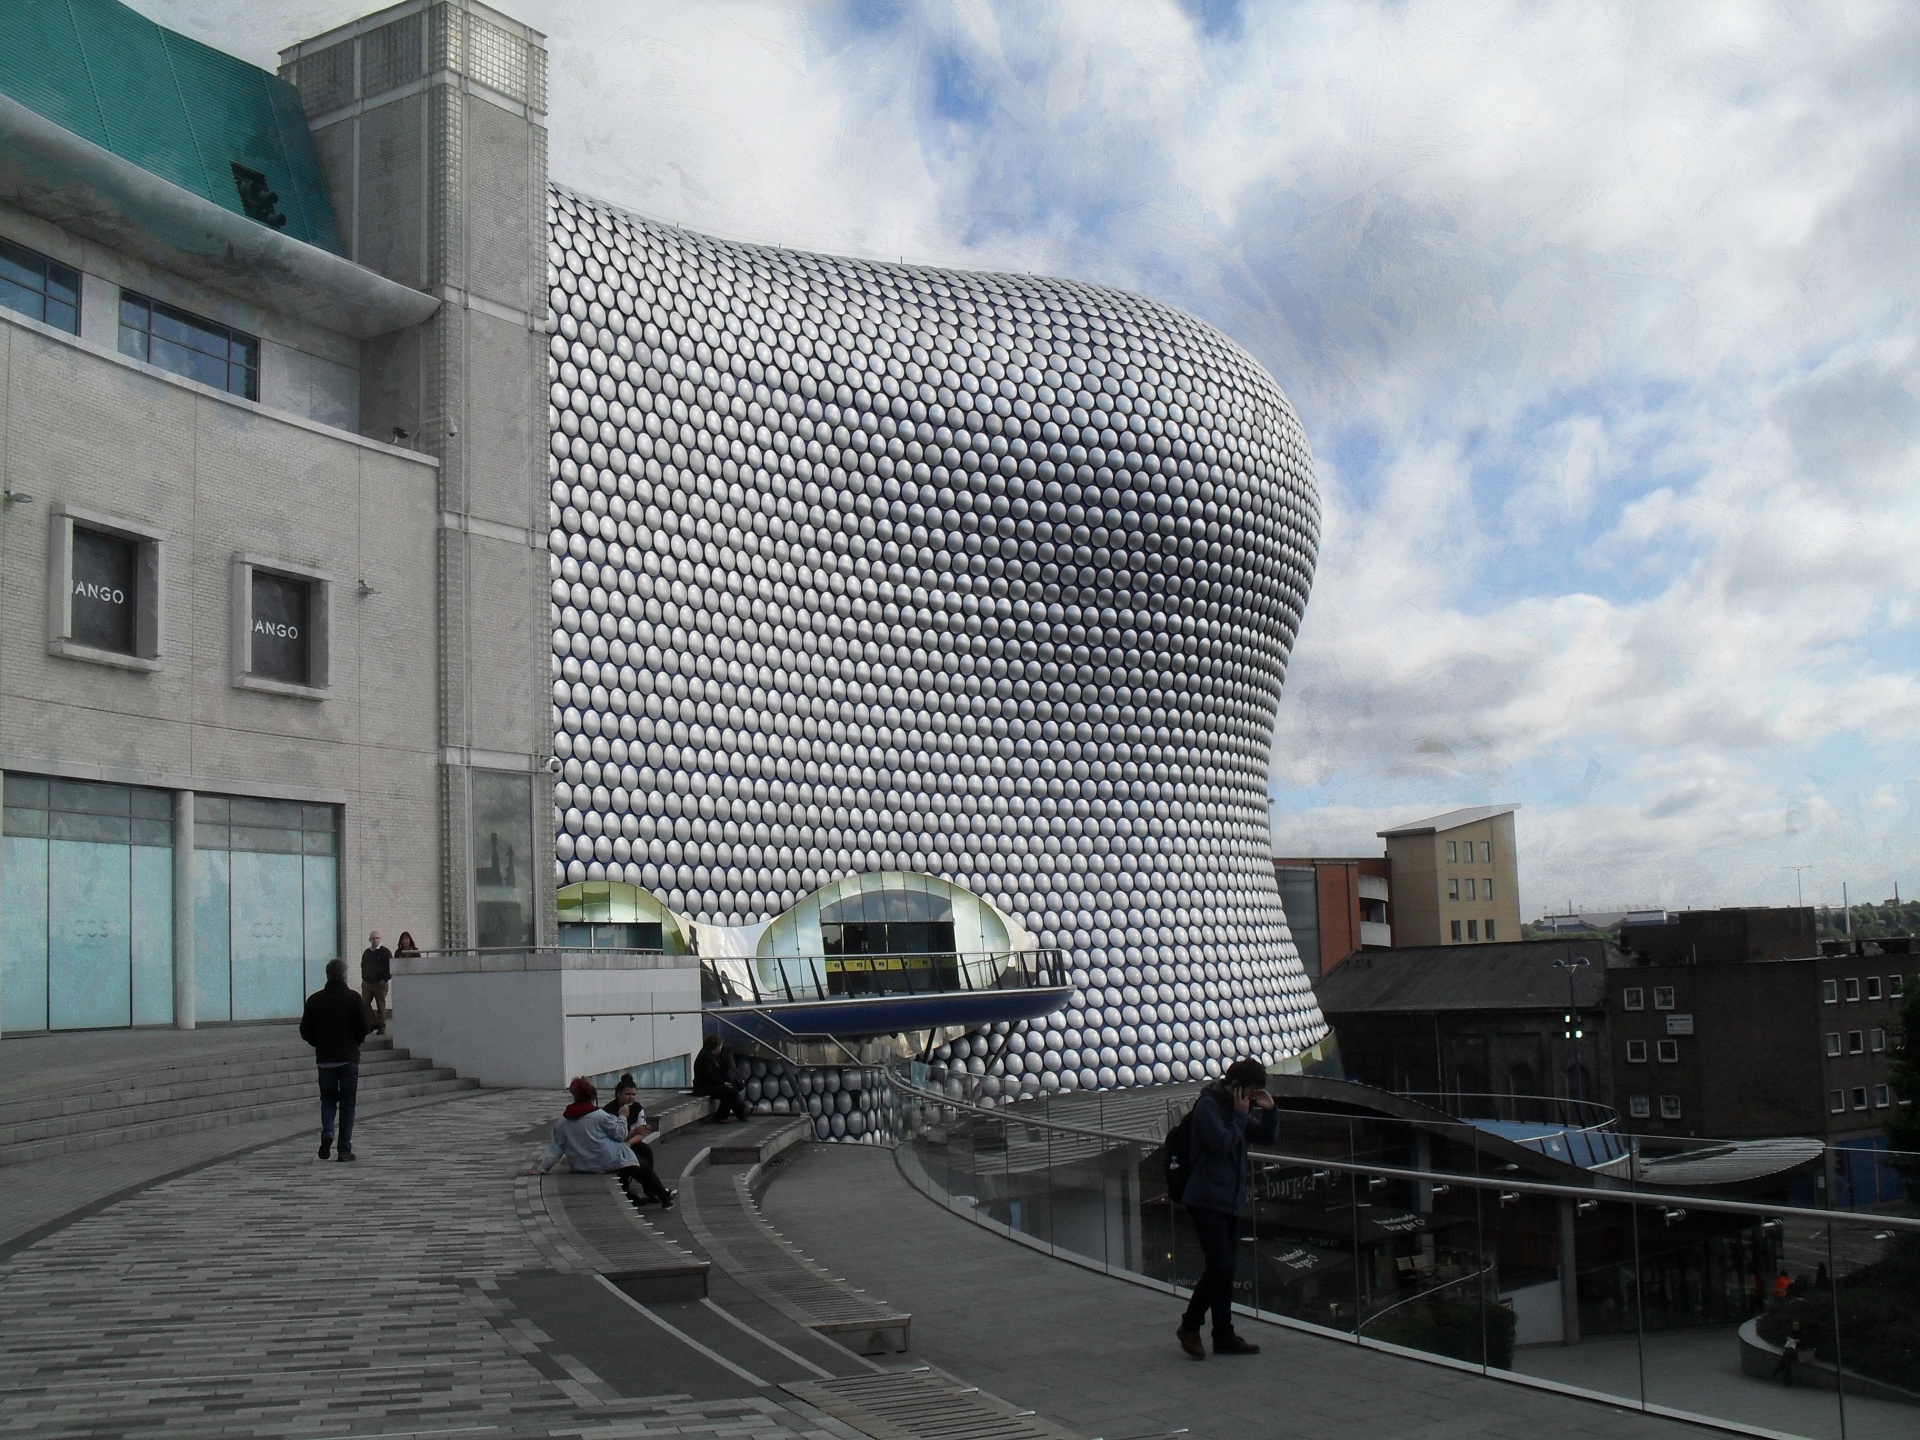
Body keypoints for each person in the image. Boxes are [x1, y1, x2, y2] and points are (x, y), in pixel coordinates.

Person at [1175, 1058, 1279, 1359]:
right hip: (1206, 1197)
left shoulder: (1238, 1108)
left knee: (1226, 1269)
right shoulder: (1208, 1106)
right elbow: (1220, 1143)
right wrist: (1239, 1115)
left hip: (1230, 1198)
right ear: (1236, 1086)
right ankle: (1190, 1325)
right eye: (1251, 1089)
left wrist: (1270, 1112)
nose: (1252, 1095)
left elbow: (1266, 1138)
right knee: (1220, 1266)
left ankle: (1223, 1333)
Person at [526, 1077, 673, 1205]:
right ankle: (663, 1197)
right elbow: (620, 1134)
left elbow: (556, 1149)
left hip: (582, 1165)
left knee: (639, 1157)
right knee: (641, 1164)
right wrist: (622, 1116)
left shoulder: (562, 1122)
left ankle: (650, 1194)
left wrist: (541, 1169)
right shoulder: (600, 1115)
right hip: (607, 1161)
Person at [299, 958, 372, 1161]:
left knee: (328, 1100)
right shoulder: (353, 998)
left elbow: (304, 1030)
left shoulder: (315, 1000)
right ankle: (344, 1149)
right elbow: (364, 1027)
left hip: (325, 1059)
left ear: (327, 975)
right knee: (348, 1104)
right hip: (348, 1058)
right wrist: (355, 1042)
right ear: (343, 975)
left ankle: (328, 1131)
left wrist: (319, 1043)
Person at [603, 1074, 675, 1207]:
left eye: (633, 1094)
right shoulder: (609, 1111)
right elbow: (616, 1135)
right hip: (614, 1144)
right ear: (619, 1094)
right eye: (627, 1094)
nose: (631, 1097)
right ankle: (660, 1192)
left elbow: (640, 1134)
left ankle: (650, 1189)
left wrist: (629, 1142)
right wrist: (631, 1132)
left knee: (645, 1150)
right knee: (637, 1162)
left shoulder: (637, 1108)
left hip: (627, 1142)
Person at [692, 1034, 751, 1122]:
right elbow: (708, 1076)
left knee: (729, 1089)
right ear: (717, 1046)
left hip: (705, 1085)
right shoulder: (706, 1057)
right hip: (702, 1087)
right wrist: (722, 1083)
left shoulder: (707, 1054)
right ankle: (726, 1114)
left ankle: (741, 1112)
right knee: (728, 1092)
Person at [360, 931, 394, 1035]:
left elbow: (390, 966)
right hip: (368, 983)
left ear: (380, 939)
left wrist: (385, 979)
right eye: (373, 938)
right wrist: (364, 978)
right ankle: (373, 1022)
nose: (375, 940)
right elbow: (363, 965)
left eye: (377, 938)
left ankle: (381, 1026)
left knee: (381, 1006)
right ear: (369, 940)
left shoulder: (385, 952)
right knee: (364, 1003)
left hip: (380, 983)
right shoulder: (367, 952)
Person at [1771, 1320, 1804, 1386]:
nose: (1795, 1327)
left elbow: (1805, 1343)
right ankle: (1788, 1379)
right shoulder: (1790, 1332)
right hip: (1789, 1350)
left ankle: (1778, 1370)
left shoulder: (1802, 1334)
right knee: (1787, 1361)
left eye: (1797, 1325)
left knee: (1785, 1355)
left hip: (1797, 1351)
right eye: (1794, 1325)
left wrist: (1799, 1341)